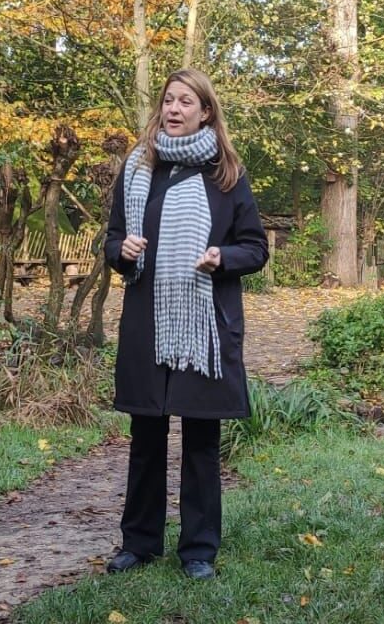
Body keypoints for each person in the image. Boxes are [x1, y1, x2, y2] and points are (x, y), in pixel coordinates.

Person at [102, 68, 268, 581]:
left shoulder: (226, 175)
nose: (174, 109)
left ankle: (198, 550)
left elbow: (256, 247)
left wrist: (223, 256)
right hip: (148, 321)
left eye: (186, 102)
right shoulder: (137, 169)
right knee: (146, 435)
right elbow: (111, 240)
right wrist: (121, 253)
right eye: (169, 100)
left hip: (205, 327)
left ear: (205, 112)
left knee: (200, 438)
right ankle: (140, 542)